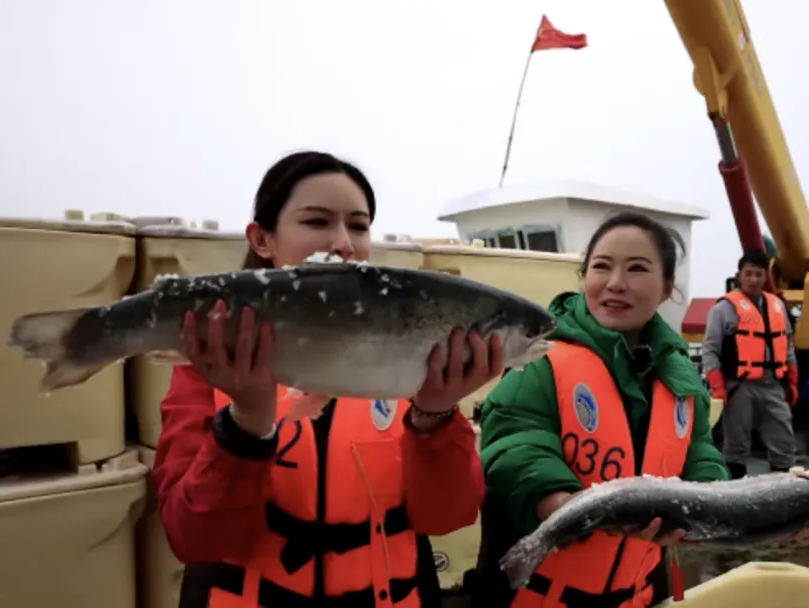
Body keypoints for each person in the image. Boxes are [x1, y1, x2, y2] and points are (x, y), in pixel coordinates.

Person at [152, 150, 502, 608]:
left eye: (358, 226)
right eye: (318, 222)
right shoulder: (210, 362)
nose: (344, 243)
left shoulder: (415, 359)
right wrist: (246, 424)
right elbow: (193, 536)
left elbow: (447, 516)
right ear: (262, 238)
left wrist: (435, 416)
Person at [472, 211, 729, 608]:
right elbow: (515, 440)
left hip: (637, 597)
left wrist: (706, 509)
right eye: (601, 267)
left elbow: (700, 453)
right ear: (584, 276)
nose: (615, 284)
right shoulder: (544, 357)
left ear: (666, 289)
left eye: (637, 269)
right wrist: (556, 503)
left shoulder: (680, 379)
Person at [702, 249, 799, 479]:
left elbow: (787, 345)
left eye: (759, 274)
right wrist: (718, 387)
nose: (754, 279)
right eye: (749, 274)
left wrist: (793, 379)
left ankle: (781, 499)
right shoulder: (723, 309)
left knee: (784, 445)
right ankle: (734, 498)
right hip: (740, 387)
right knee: (736, 447)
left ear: (766, 276)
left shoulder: (777, 305)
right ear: (739, 275)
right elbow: (710, 349)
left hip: (773, 385)